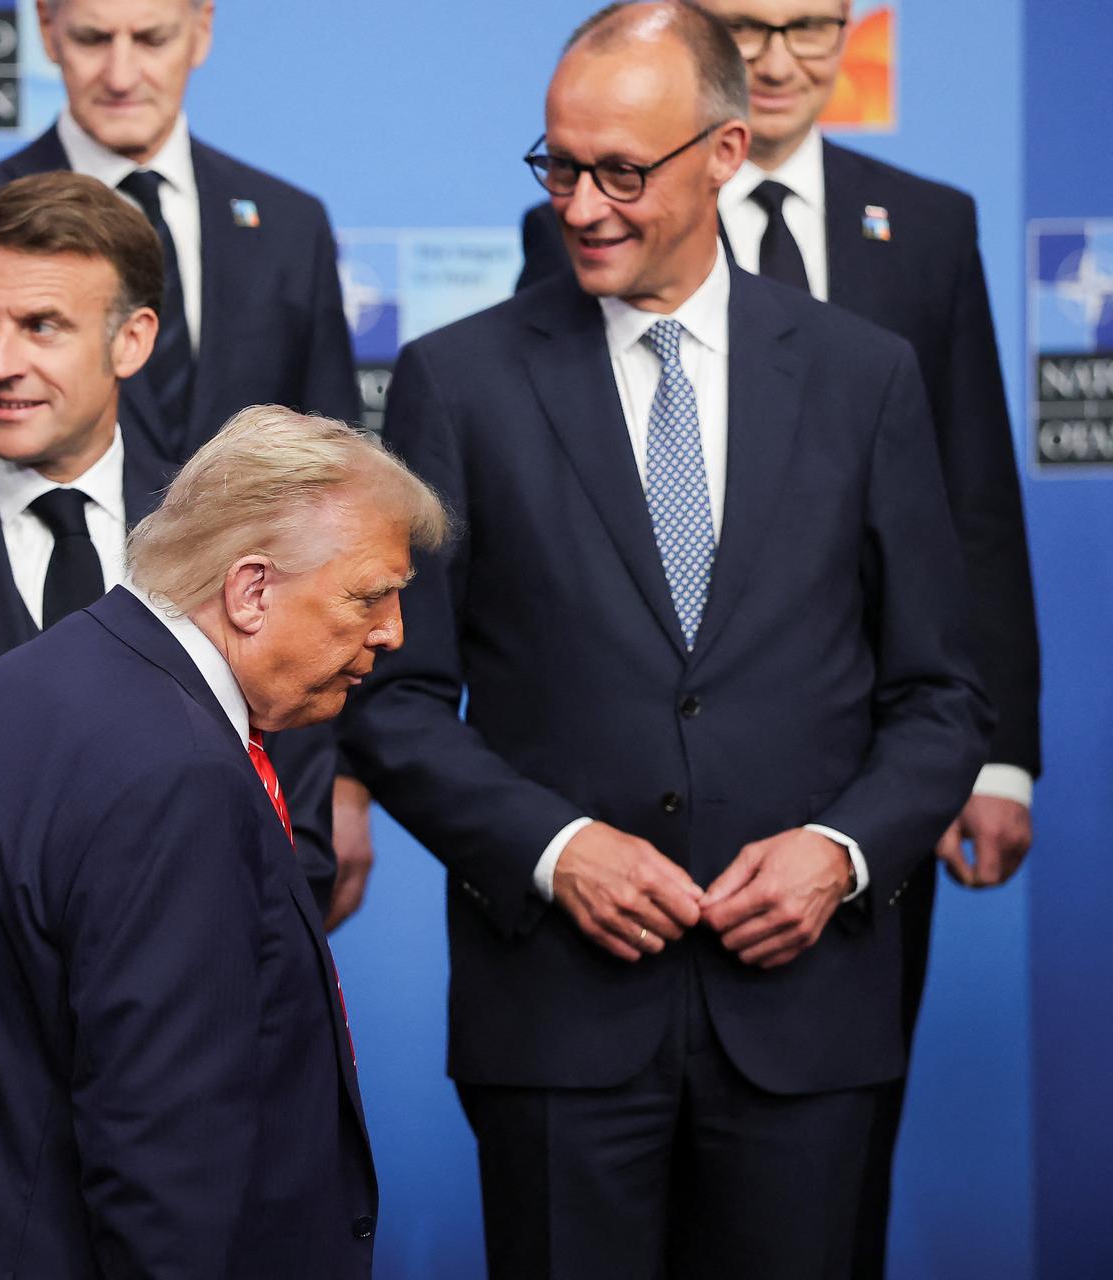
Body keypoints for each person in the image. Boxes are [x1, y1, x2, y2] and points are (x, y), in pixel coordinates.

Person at [343, 6, 991, 1277]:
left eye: (622, 172)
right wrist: (554, 846)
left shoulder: (867, 379)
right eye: (559, 166)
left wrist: (844, 851)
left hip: (805, 1021)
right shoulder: (455, 382)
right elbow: (395, 696)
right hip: (559, 1030)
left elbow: (940, 695)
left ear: (725, 152)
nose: (582, 205)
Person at [518, 8, 1040, 1265]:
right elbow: (568, 487)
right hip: (623, 863)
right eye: (753, 23)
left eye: (813, 22)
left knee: (826, 1176)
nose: (786, 50)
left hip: (855, 799)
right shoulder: (585, 224)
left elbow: (972, 504)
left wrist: (994, 758)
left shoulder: (922, 225)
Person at [0, 170, 339, 1224]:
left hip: (187, 1130)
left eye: (42, 325)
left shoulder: (238, 548)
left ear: (131, 341)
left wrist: (153, 1035)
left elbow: (290, 835)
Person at [0, 404, 441, 1279]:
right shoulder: (180, 776)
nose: (392, 632)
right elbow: (163, 1151)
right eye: (368, 594)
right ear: (252, 589)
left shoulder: (35, 679)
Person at [0, 1, 358, 481]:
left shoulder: (291, 225)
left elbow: (338, 470)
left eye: (151, 39)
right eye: (93, 39)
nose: (121, 76)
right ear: (47, 29)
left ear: (202, 29)